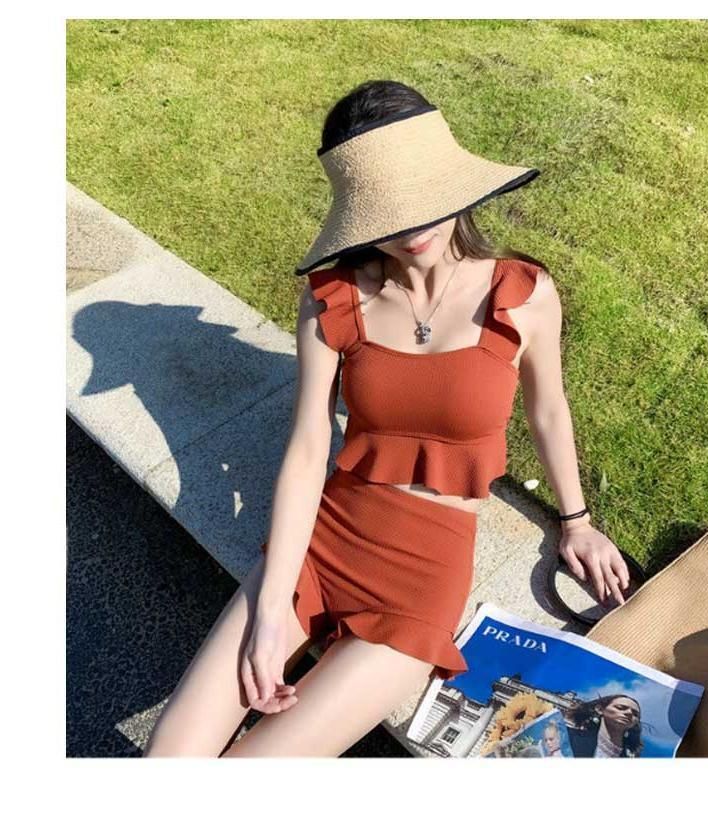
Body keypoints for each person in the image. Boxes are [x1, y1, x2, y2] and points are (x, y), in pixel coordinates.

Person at [143, 79, 631, 758]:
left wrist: (576, 523)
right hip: (326, 538)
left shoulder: (523, 294)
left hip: (421, 580)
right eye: (385, 211)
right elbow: (308, 446)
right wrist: (271, 608)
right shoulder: (333, 299)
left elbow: (548, 408)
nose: (410, 228)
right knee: (168, 758)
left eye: (422, 198)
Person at [564, 694, 643, 758]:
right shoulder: (566, 737)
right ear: (600, 709)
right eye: (620, 708)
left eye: (635, 714)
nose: (629, 713)